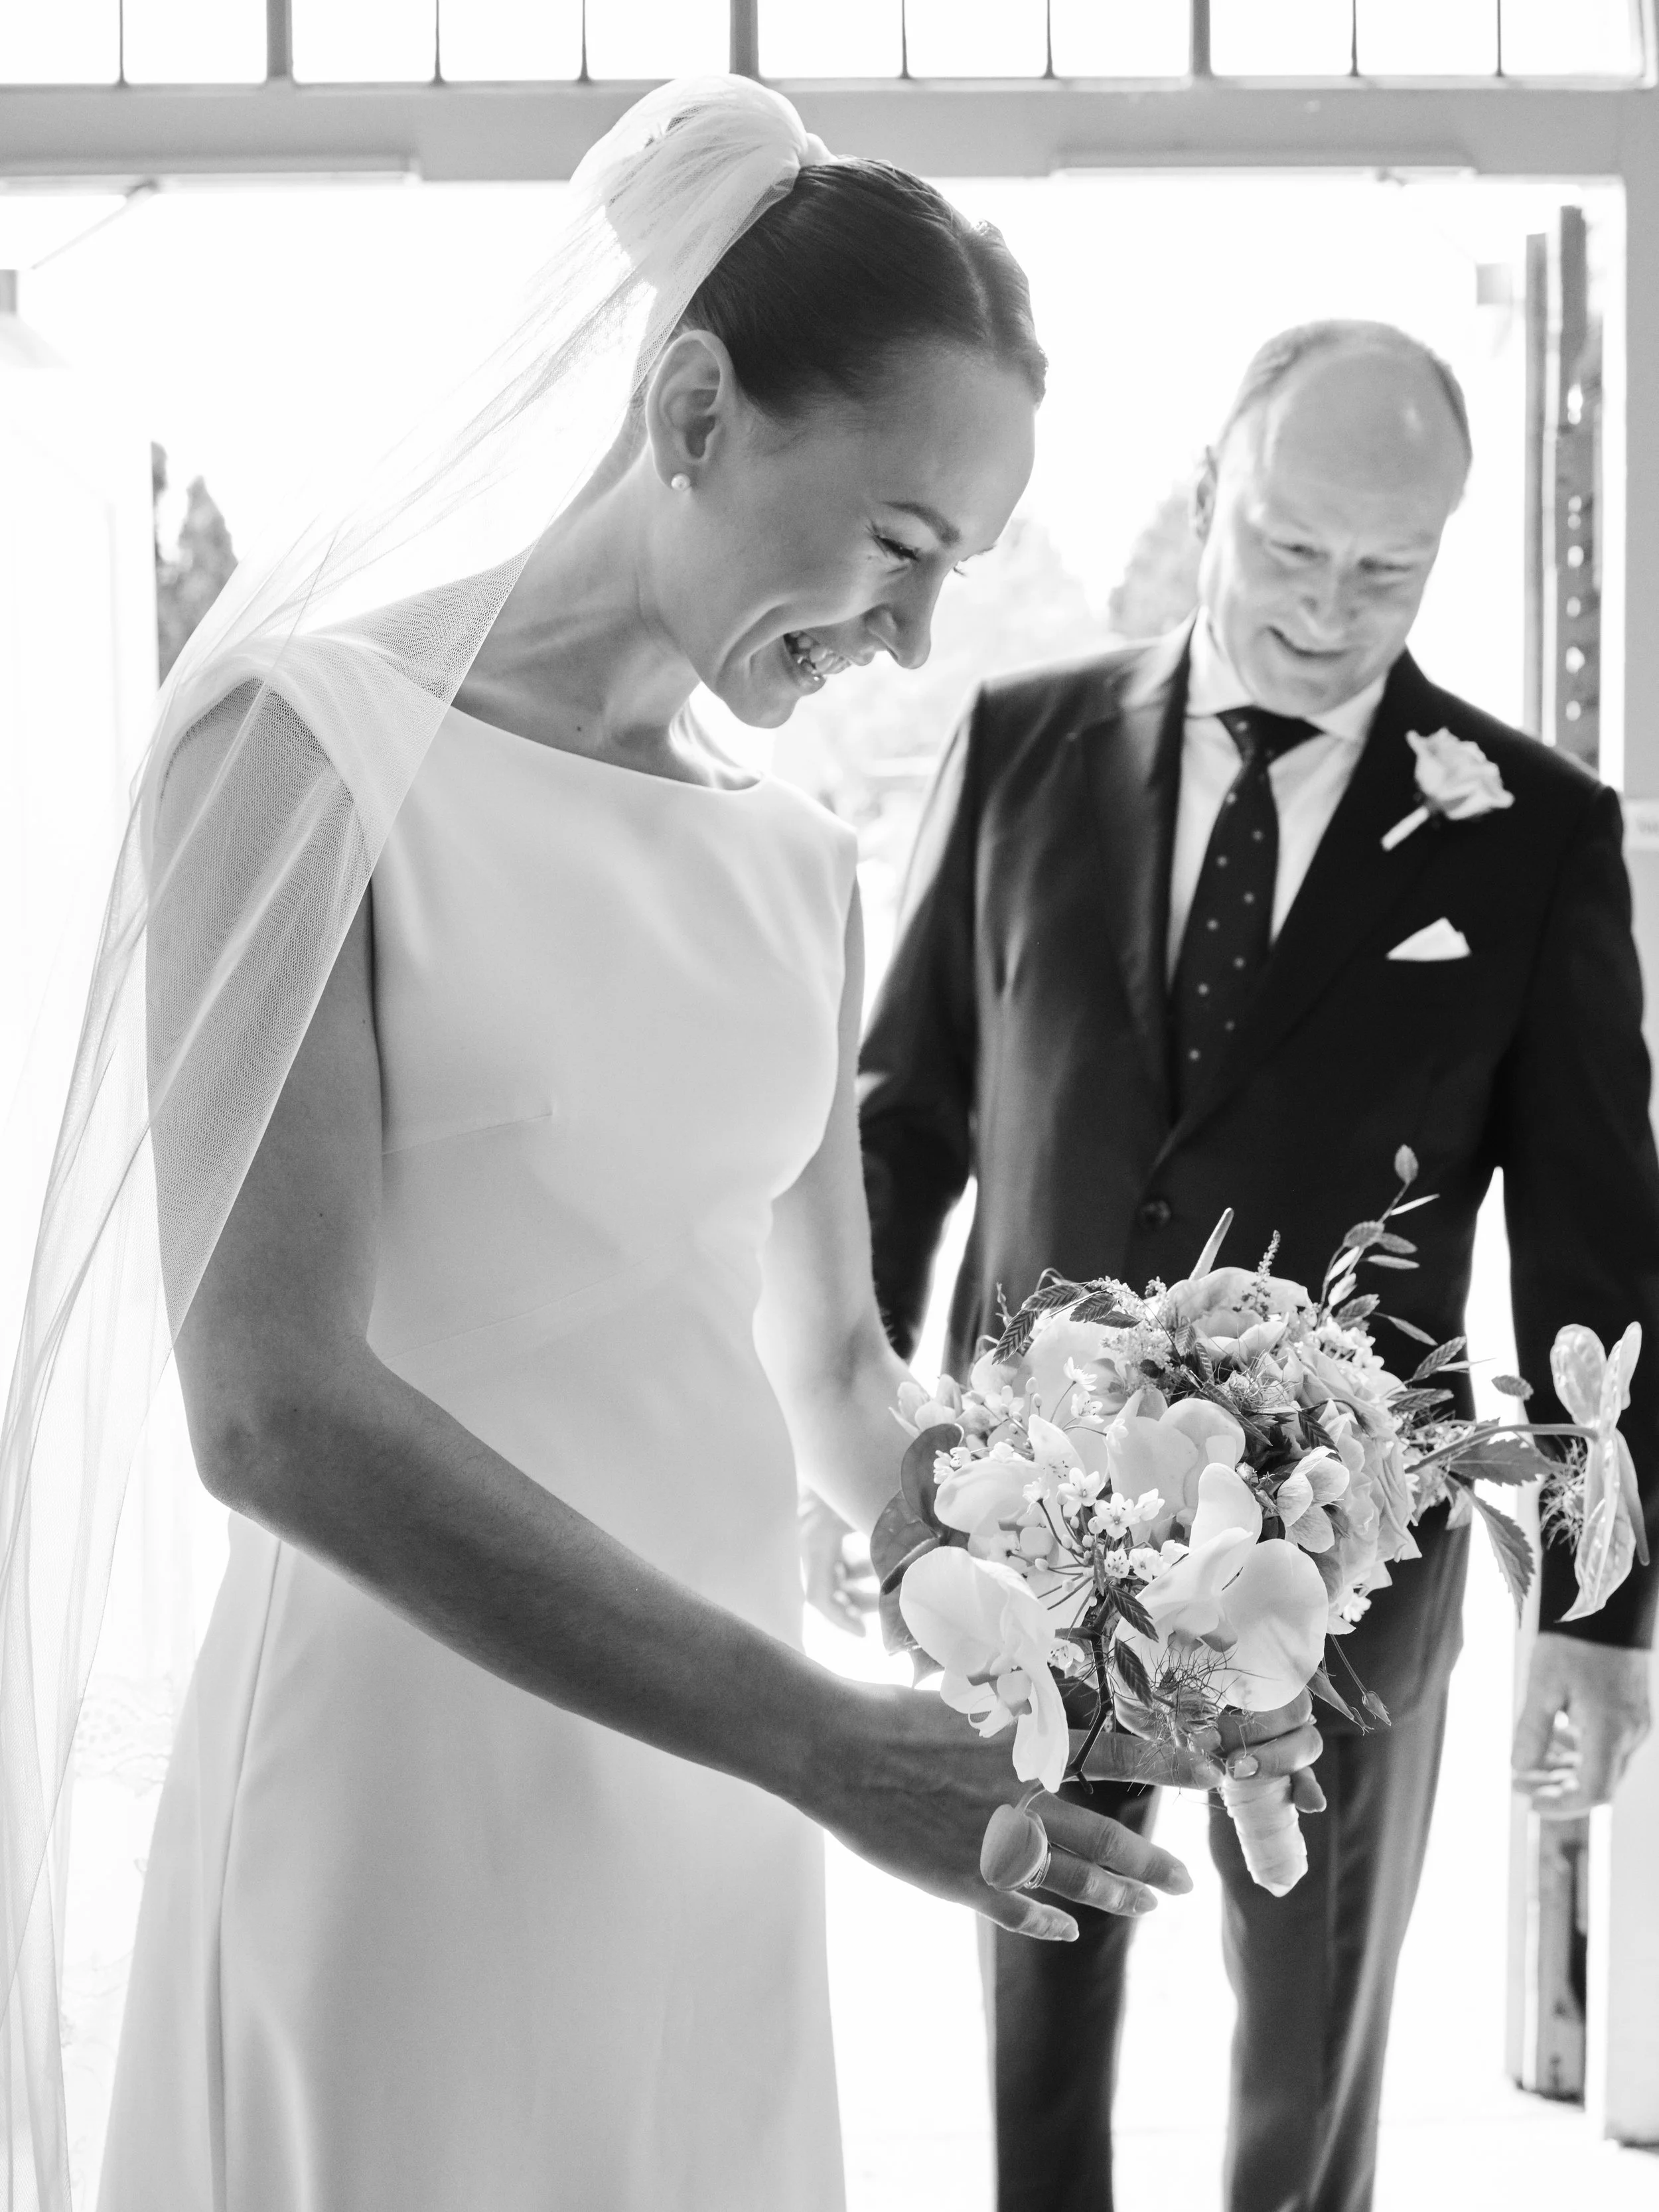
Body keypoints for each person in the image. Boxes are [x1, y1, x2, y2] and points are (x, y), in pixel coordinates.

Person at [0, 82, 1208, 2212]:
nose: (914, 639)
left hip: (714, 1831)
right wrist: (820, 1735)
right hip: (405, 1802)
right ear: (691, 407)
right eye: (898, 544)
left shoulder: (792, 868)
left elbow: (830, 1376)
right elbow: (270, 1407)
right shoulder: (301, 751)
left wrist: (1129, 1615)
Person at [859, 319, 1659, 2212]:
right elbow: (903, 1120)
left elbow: (1596, 1244)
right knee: (1031, 1981)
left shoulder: (1534, 830)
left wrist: (1600, 1607)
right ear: (1214, 489)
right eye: (1292, 550)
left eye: (1384, 571)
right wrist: (870, 1461)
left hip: (1348, 1555)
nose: (1326, 609)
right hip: (1039, 1520)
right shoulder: (1018, 740)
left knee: (1307, 2034)